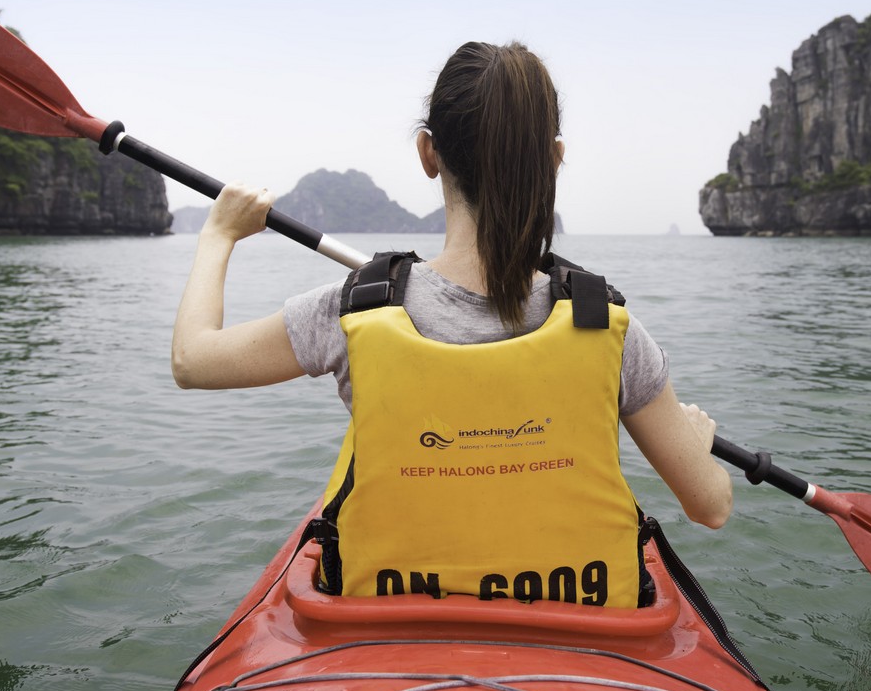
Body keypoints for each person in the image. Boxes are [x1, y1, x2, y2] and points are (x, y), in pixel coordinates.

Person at [171, 41, 731, 608]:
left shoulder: (351, 313)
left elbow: (193, 361)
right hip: (579, 628)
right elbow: (711, 506)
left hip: (384, 622)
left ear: (427, 152)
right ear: (554, 156)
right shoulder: (606, 326)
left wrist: (218, 234)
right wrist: (695, 443)